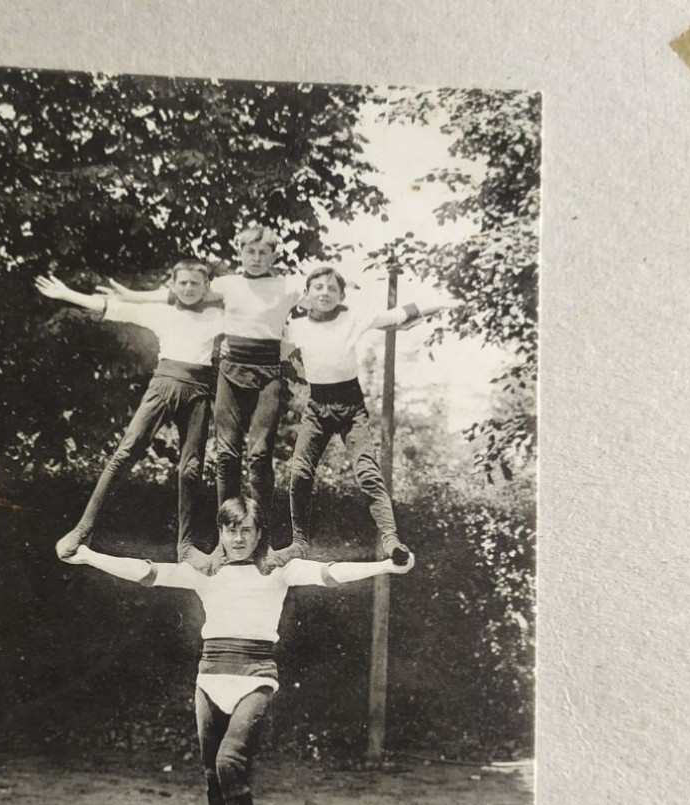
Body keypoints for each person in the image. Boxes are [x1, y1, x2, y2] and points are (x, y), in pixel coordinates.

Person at [57, 496, 414, 805]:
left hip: (256, 675)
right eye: (231, 529)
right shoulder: (204, 572)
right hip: (209, 678)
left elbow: (329, 574)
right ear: (221, 532)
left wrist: (385, 567)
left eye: (246, 530)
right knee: (213, 773)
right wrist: (89, 557)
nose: (238, 538)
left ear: (259, 533)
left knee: (230, 763)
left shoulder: (279, 570)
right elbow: (148, 573)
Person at [104, 225, 303, 542]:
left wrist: (293, 342)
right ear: (240, 253)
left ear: (273, 256)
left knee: (260, 454)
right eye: (249, 251)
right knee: (226, 455)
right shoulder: (228, 284)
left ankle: (261, 540)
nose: (255, 258)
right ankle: (228, 538)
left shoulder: (288, 285)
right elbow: (181, 293)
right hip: (231, 369)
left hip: (268, 371)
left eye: (263, 252)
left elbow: (322, 300)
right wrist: (131, 296)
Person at [35, 260, 223, 565]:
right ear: (173, 285)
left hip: (198, 393)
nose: (189, 289)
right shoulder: (161, 311)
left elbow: (252, 319)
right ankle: (83, 529)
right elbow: (111, 306)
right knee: (125, 453)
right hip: (163, 385)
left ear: (206, 287)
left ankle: (186, 546)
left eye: (195, 284)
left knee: (191, 469)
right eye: (183, 283)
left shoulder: (218, 315)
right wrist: (67, 293)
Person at [281, 265, 453, 564]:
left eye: (332, 289)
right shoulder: (295, 327)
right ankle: (298, 542)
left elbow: (394, 316)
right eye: (318, 288)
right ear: (307, 294)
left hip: (350, 406)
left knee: (367, 472)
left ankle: (390, 538)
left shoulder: (352, 317)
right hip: (317, 405)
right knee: (299, 472)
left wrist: (438, 304)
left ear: (342, 296)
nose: (325, 293)